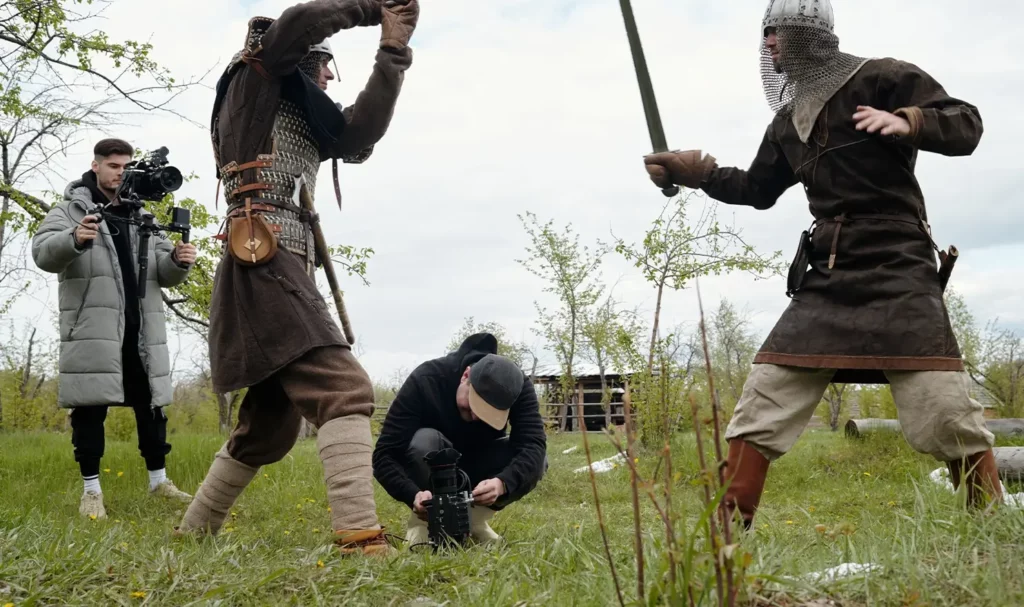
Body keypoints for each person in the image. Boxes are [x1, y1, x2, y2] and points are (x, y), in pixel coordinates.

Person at [643, 0, 1002, 529]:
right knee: (765, 394)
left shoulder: (882, 77)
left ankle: (989, 520)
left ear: (807, 35)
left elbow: (965, 124)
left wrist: (907, 121)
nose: (768, 44)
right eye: (764, 35)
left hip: (898, 265)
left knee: (944, 409)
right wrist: (698, 174)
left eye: (777, 34)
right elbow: (757, 189)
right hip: (828, 274)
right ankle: (725, 534)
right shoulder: (790, 120)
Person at [173, 0, 419, 556]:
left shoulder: (297, 103)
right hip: (266, 251)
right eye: (326, 63)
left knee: (270, 426)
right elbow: (301, 21)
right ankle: (360, 538)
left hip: (278, 256)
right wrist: (369, 8)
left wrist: (392, 51)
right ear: (304, 60)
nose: (331, 75)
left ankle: (194, 531)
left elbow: (357, 135)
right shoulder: (259, 71)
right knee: (344, 387)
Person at [30, 137, 197, 519]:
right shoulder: (71, 209)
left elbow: (163, 272)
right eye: (114, 166)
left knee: (152, 406)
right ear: (96, 166)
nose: (121, 172)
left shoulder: (142, 215)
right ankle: (91, 492)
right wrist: (73, 239)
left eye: (126, 166)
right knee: (90, 410)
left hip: (141, 329)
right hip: (94, 327)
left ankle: (159, 482)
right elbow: (42, 252)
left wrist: (178, 258)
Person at [372, 333, 548, 546]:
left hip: (480, 463)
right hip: (431, 466)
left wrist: (503, 483)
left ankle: (474, 521)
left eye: (488, 413)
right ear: (466, 375)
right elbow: (384, 454)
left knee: (539, 460)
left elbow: (533, 446)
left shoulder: (517, 387)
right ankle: (423, 523)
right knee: (424, 441)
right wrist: (412, 495)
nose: (476, 417)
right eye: (474, 405)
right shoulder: (426, 379)